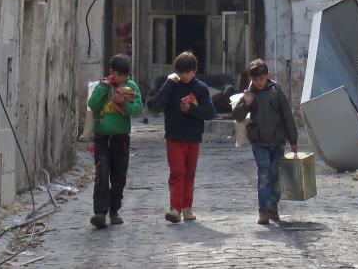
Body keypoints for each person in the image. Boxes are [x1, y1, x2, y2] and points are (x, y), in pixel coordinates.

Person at [151, 51, 217, 223]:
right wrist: (168, 83)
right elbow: (156, 105)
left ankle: (187, 207)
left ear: (195, 71)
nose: (185, 76)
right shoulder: (171, 86)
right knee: (177, 172)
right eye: (181, 72)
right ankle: (174, 208)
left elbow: (210, 113)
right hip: (173, 137)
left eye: (188, 72)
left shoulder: (200, 88)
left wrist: (192, 110)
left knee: (189, 173)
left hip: (193, 138)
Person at [231, 58, 298, 225]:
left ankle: (273, 206)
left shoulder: (276, 92)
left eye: (261, 78)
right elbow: (238, 116)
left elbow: (287, 116)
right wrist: (246, 104)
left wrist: (293, 140)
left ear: (267, 76)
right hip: (259, 142)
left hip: (277, 141)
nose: (259, 82)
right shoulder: (250, 94)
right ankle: (263, 210)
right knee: (264, 173)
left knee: (275, 175)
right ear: (251, 79)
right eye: (255, 79)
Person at [87, 54, 143, 229]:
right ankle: (99, 213)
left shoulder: (130, 86)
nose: (123, 79)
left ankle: (114, 210)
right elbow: (92, 104)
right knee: (101, 175)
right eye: (120, 75)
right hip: (102, 137)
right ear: (112, 72)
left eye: (125, 76)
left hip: (121, 138)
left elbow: (138, 108)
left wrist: (124, 103)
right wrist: (104, 89)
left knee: (119, 177)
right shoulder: (101, 86)